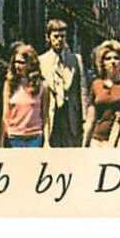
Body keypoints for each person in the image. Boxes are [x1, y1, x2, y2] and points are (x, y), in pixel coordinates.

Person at [38, 19, 86, 148]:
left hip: (71, 118)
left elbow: (82, 92)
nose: (59, 40)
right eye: (56, 36)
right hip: (51, 116)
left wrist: (85, 121)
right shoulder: (41, 61)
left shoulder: (76, 60)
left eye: (62, 36)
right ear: (48, 38)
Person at [0, 42, 45, 148]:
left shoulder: (41, 85)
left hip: (34, 137)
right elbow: (5, 114)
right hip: (14, 137)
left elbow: (45, 115)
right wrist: (2, 141)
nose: (17, 66)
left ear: (30, 63)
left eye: (21, 62)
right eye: (16, 62)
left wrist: (46, 141)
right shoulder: (9, 84)